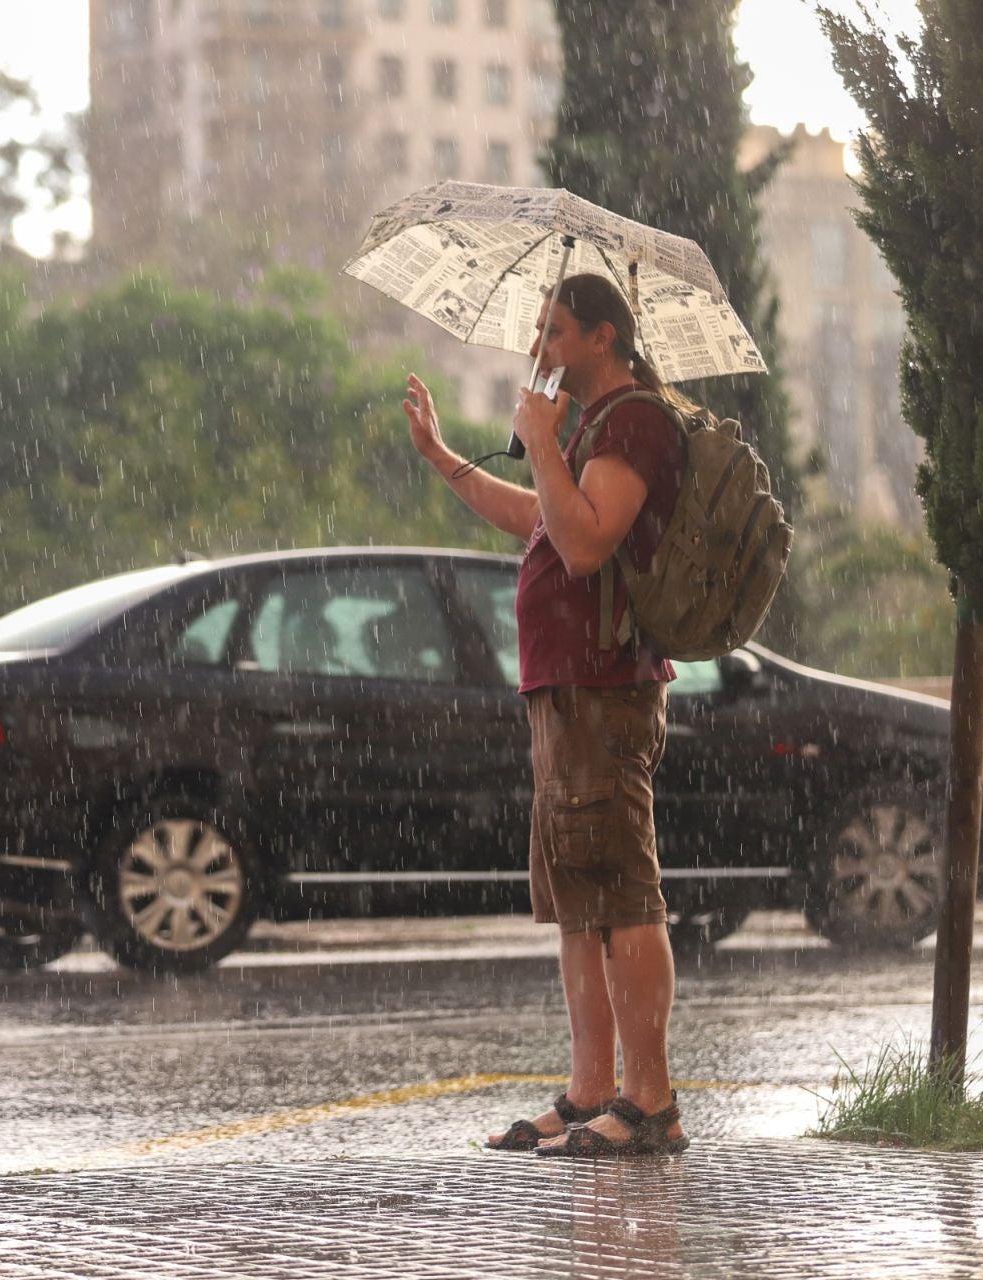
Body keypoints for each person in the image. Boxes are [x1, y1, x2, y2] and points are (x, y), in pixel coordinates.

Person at [402, 272, 689, 1157]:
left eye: (555, 332)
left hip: (605, 689)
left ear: (603, 338)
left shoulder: (633, 420)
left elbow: (586, 538)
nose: (541, 349)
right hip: (564, 692)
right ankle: (591, 1088)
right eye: (539, 329)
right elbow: (538, 519)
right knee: (576, 902)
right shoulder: (596, 427)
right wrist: (446, 459)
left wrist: (539, 436)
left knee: (624, 895)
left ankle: (651, 1102)